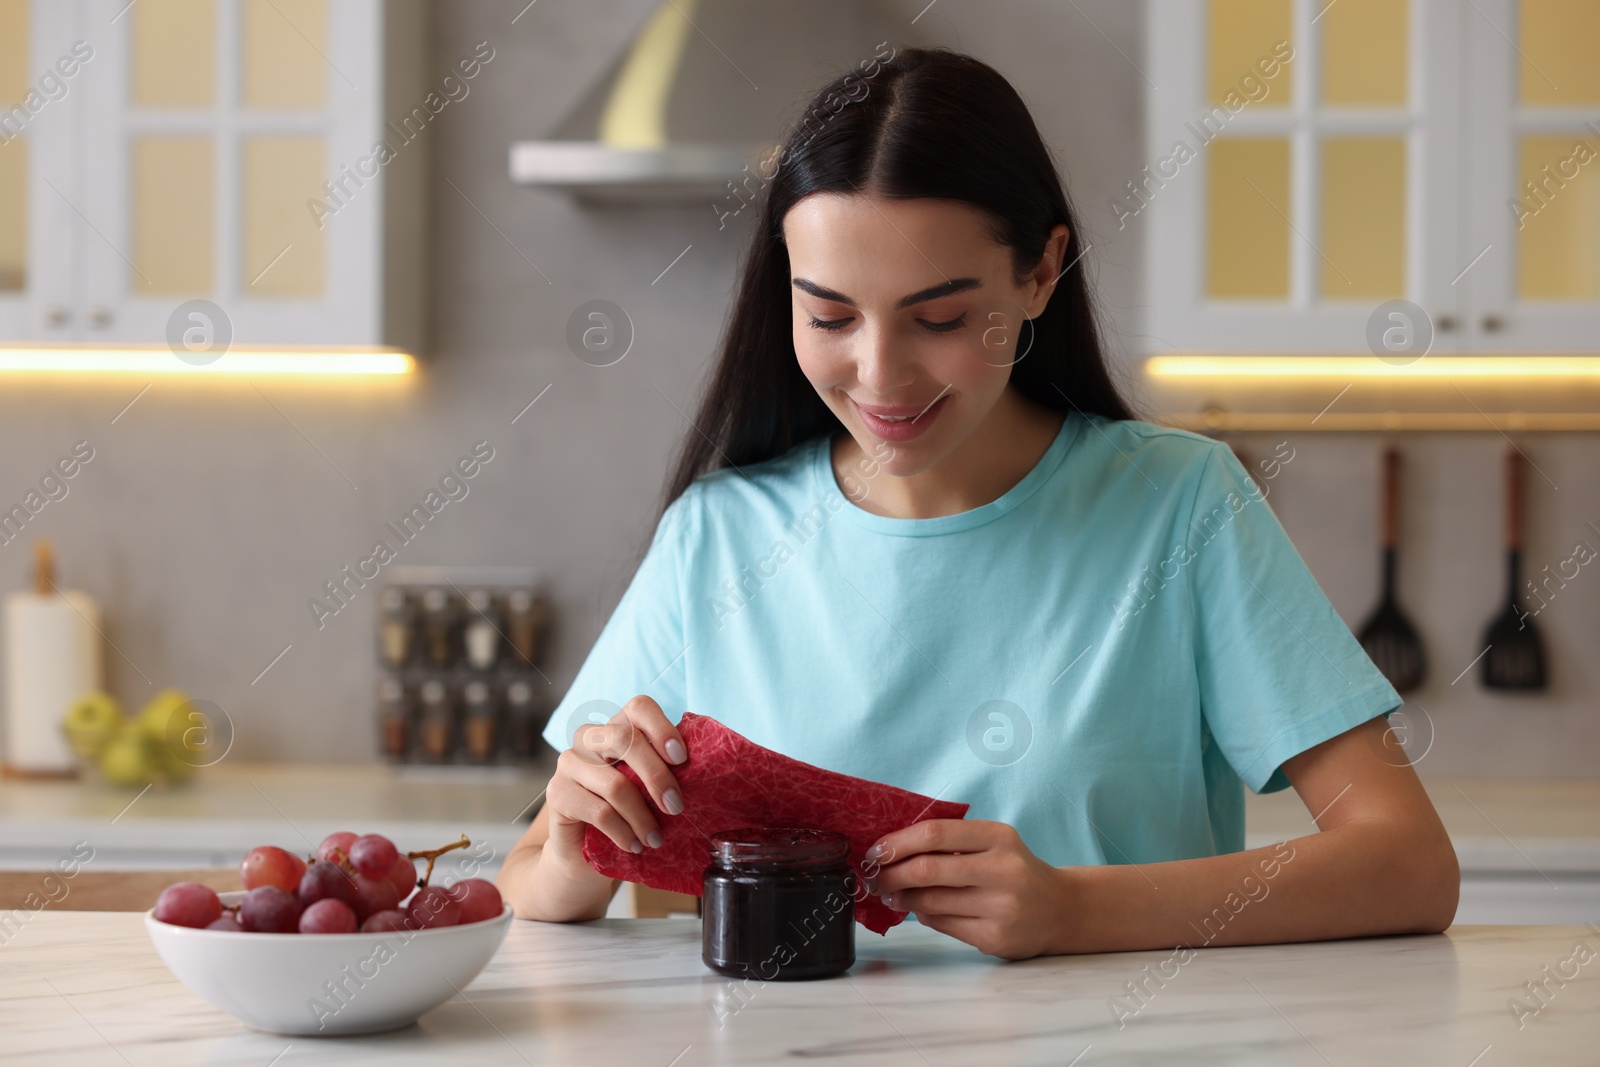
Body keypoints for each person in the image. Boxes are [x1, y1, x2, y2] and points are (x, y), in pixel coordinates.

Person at [496, 47, 1458, 959]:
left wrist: (1074, 909)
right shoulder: (717, 534)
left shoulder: (1181, 504)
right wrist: (583, 846)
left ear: (1040, 273)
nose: (879, 375)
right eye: (829, 315)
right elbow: (531, 877)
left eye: (941, 317)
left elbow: (1408, 864)